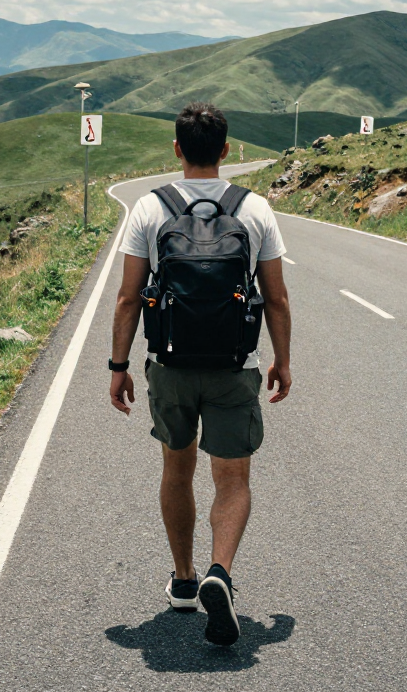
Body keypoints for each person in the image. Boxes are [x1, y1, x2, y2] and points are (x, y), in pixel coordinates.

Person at [109, 102, 292, 646]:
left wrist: (118, 367)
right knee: (232, 478)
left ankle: (185, 581)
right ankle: (221, 572)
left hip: (169, 364)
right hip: (236, 367)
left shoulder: (149, 208)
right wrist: (283, 360)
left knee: (176, 469)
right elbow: (276, 298)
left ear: (177, 149)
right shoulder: (255, 209)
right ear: (228, 149)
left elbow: (126, 297)